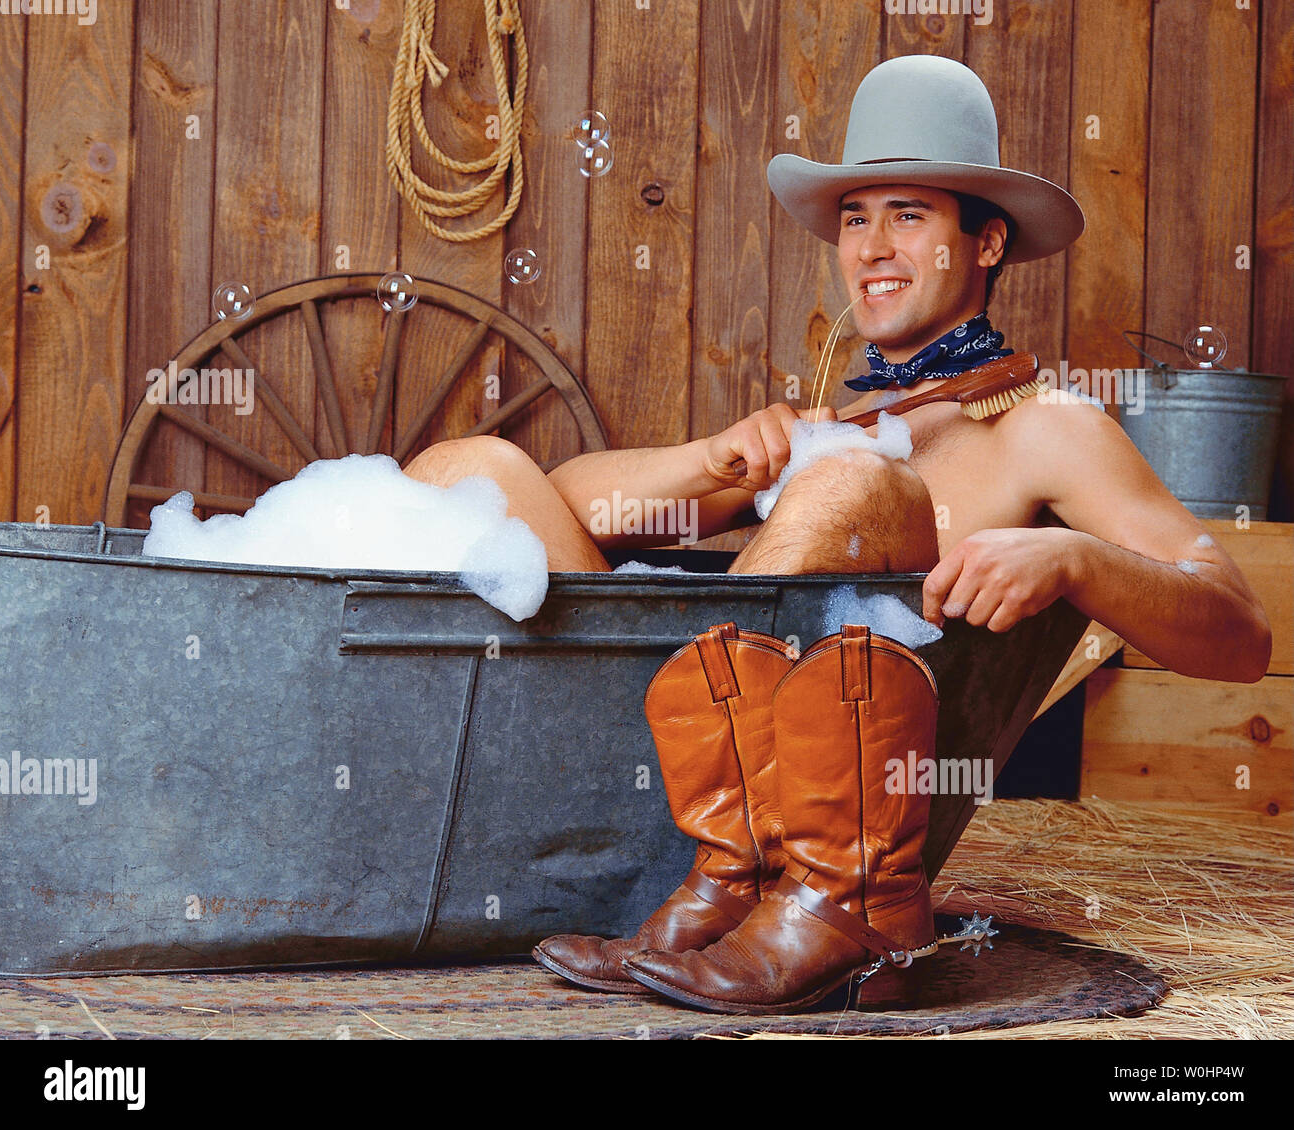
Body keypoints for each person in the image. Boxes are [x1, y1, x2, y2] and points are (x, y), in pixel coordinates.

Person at [405, 55, 1271, 1012]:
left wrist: (1075, 558)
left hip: (823, 826)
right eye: (856, 218)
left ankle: (765, 887)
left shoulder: (1046, 428)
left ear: (984, 244)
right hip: (651, 765)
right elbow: (564, 510)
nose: (871, 246)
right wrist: (717, 460)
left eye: (908, 215)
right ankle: (703, 867)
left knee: (853, 487)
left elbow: (1241, 634)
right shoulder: (832, 430)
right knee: (467, 471)